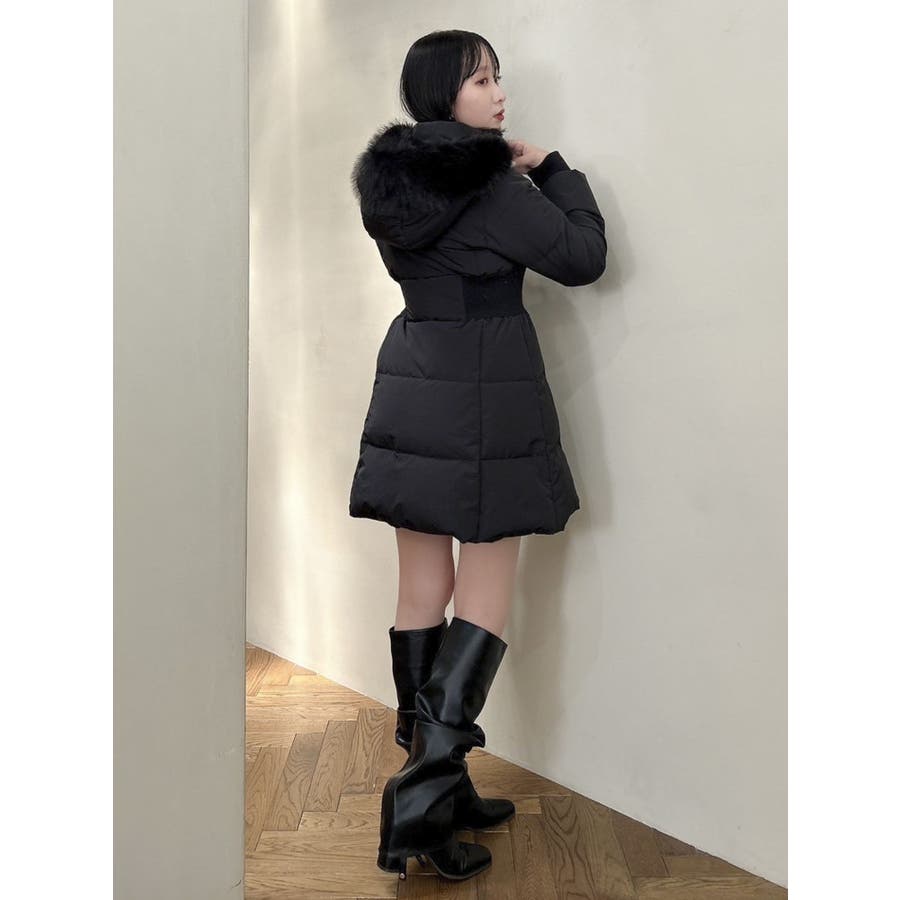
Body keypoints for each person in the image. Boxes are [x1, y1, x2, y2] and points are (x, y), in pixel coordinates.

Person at [347, 29, 608, 882]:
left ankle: (443, 784)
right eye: (482, 80)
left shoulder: (391, 186)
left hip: (412, 381)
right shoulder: (490, 185)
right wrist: (555, 169)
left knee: (421, 588)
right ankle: (419, 807)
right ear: (443, 94)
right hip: (484, 394)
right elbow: (582, 257)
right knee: (485, 596)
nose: (499, 95)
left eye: (499, 78)